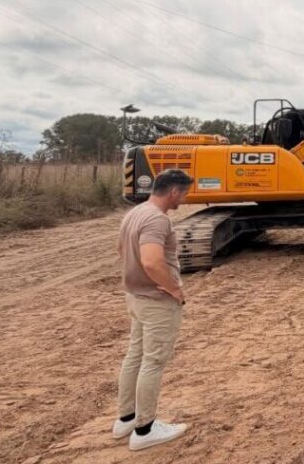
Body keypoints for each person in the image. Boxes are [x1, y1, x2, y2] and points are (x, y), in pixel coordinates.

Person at [112, 169, 193, 451]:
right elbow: (151, 261)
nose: (184, 199)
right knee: (153, 361)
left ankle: (126, 418)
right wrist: (174, 289)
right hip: (156, 301)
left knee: (135, 356)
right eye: (184, 194)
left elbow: (121, 251)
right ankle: (145, 430)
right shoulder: (157, 219)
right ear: (173, 191)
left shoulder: (135, 213)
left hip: (136, 297)